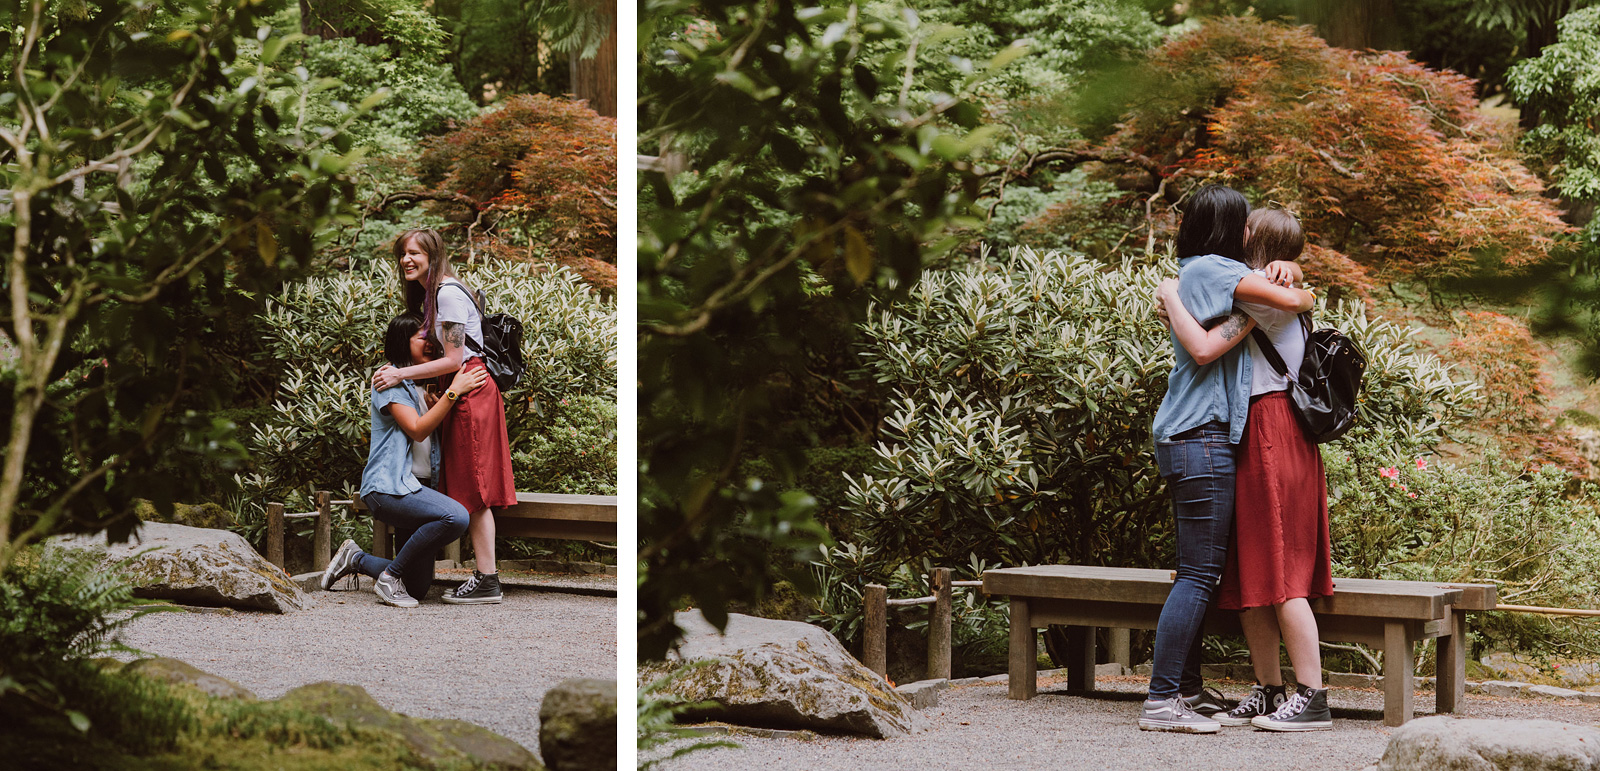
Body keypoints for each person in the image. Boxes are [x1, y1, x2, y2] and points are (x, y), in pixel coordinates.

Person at [1140, 185, 1315, 733]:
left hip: (1202, 434)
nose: (1245, 234)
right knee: (1200, 573)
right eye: (1240, 224)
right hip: (1204, 436)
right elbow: (1208, 347)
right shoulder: (1215, 270)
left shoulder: (1206, 273)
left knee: (1209, 571)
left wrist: (1296, 277)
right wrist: (1298, 290)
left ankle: (1186, 690)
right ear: (1230, 230)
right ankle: (1166, 696)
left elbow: (1271, 307)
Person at [372, 228, 517, 605]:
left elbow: (454, 359)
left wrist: (399, 372)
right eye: (402, 253)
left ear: (433, 257)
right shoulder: (439, 294)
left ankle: (487, 579)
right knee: (470, 482)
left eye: (415, 253)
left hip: (469, 389)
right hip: (462, 389)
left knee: (476, 485)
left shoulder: (447, 294)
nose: (407, 259)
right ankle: (486, 577)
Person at [322, 313, 488, 607]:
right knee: (457, 516)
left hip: (418, 488)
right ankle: (389, 577)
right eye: (422, 337)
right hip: (389, 488)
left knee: (417, 586)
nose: (431, 343)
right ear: (403, 341)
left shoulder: (423, 386)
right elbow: (417, 431)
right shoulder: (389, 380)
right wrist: (454, 393)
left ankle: (356, 558)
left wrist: (441, 401)